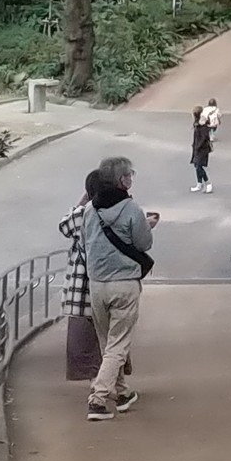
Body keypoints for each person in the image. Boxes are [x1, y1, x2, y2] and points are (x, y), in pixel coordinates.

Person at [81, 155, 158, 421]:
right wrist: (147, 226)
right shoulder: (130, 209)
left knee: (108, 344)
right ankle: (98, 399)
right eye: (129, 175)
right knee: (118, 344)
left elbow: (84, 243)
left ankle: (122, 393)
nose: (131, 179)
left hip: (97, 284)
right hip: (124, 283)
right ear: (121, 180)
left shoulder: (90, 210)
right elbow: (144, 243)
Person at [59, 171, 102, 382]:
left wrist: (82, 199)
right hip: (106, 281)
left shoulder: (82, 214)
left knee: (83, 338)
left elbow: (64, 225)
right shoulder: (115, 211)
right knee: (108, 335)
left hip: (80, 285)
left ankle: (95, 383)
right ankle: (109, 384)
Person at [190, 105, 214, 192]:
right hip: (197, 147)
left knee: (199, 166)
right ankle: (199, 184)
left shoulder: (203, 124)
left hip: (202, 149)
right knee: (196, 165)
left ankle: (208, 183)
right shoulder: (197, 123)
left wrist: (197, 146)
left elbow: (204, 137)